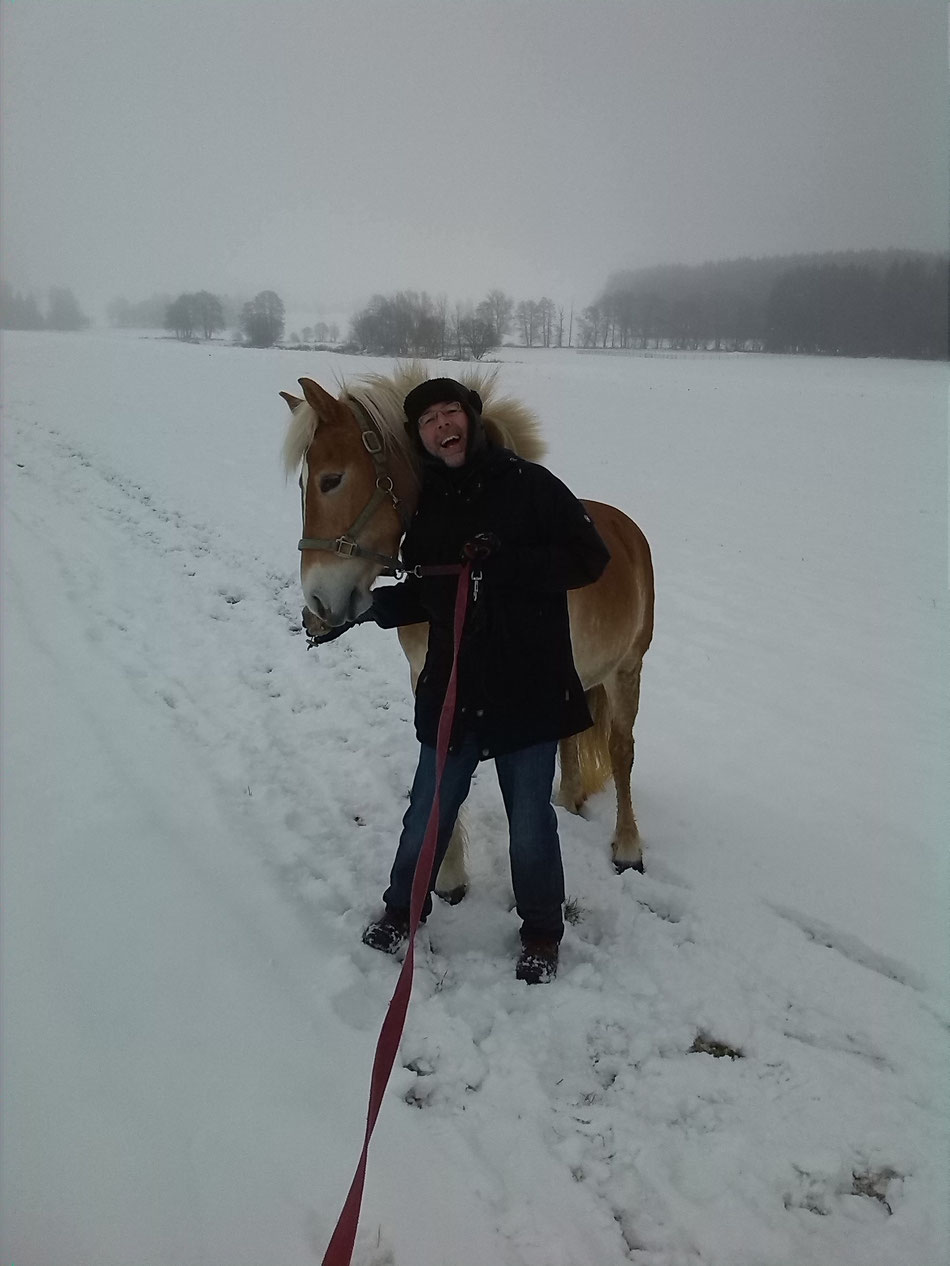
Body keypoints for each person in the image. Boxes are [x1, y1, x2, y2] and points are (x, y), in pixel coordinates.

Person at [315, 379, 609, 983]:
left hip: (527, 691)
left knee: (530, 824)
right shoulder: (428, 509)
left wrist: (509, 561)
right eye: (428, 420)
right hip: (454, 692)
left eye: (452, 412)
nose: (442, 425)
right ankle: (403, 911)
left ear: (472, 420)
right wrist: (366, 610)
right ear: (418, 436)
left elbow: (589, 557)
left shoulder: (530, 486)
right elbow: (428, 588)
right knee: (426, 812)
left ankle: (542, 932)